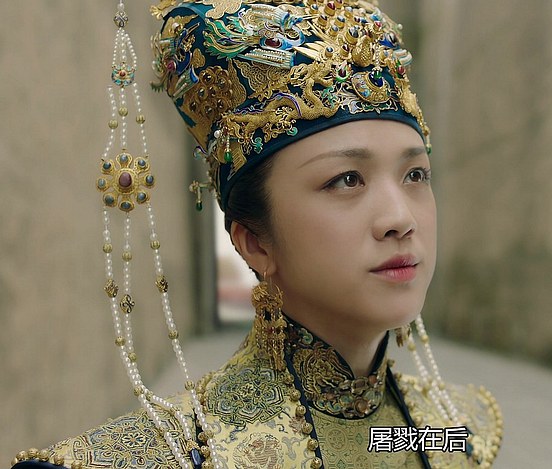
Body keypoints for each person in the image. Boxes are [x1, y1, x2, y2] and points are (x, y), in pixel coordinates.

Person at [10, 1, 502, 468]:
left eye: (415, 175)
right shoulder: (177, 454)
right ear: (255, 243)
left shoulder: (450, 432)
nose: (400, 217)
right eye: (346, 180)